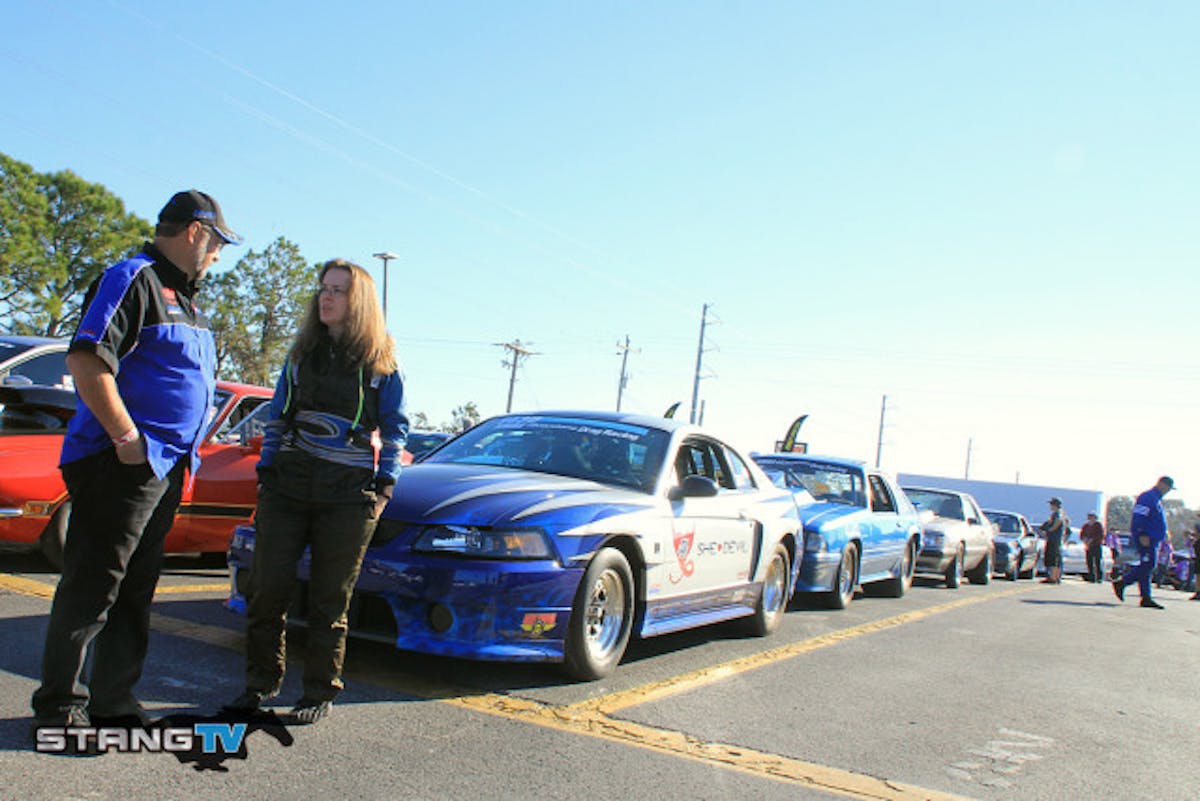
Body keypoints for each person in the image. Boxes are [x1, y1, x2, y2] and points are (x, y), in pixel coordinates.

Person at [31, 191, 241, 739]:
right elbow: (86, 358)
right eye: (218, 242)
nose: (218, 254)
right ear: (196, 232)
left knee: (135, 588)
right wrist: (126, 439)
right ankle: (60, 708)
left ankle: (113, 703)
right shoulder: (134, 278)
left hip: (166, 469)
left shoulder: (187, 300)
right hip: (120, 463)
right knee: (94, 585)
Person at [226, 259, 408, 725]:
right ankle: (260, 683)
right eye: (323, 289)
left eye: (339, 291)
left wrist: (383, 487)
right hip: (287, 487)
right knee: (267, 590)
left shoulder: (381, 361)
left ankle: (319, 690)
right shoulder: (301, 353)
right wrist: (267, 471)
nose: (326, 297)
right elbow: (278, 416)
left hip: (348, 497)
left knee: (331, 598)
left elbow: (395, 429)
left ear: (359, 300)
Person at [1113, 476, 1174, 609]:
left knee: (1147, 566)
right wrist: (1141, 533)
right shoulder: (1148, 497)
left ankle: (1146, 597)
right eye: (1168, 488)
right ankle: (1123, 582)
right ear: (1162, 484)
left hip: (1153, 539)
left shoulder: (1157, 499)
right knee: (1148, 565)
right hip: (1146, 538)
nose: (1168, 491)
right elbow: (1139, 516)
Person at [1039, 497, 1066, 584]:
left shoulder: (1058, 513)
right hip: (1054, 539)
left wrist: (1050, 529)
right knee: (1054, 558)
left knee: (1054, 559)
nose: (1050, 506)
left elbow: (1057, 522)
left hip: (1054, 540)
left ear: (1055, 505)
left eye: (1051, 504)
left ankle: (1053, 577)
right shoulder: (1058, 513)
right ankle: (1054, 577)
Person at [1079, 511, 1106, 583]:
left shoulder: (1098, 525)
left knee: (1097, 561)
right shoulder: (1086, 526)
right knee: (1089, 562)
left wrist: (1092, 540)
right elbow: (1082, 535)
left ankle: (1099, 577)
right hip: (1088, 546)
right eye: (1089, 516)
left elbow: (1100, 535)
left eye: (1092, 516)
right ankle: (1091, 577)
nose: (1090, 518)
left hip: (1096, 546)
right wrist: (1085, 540)